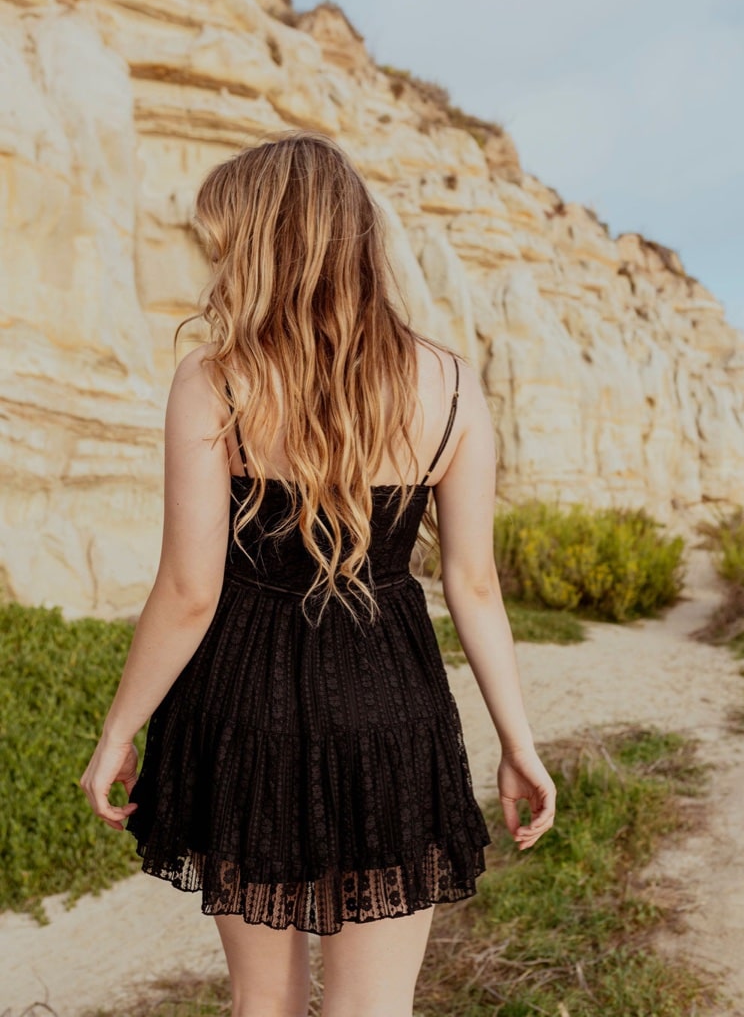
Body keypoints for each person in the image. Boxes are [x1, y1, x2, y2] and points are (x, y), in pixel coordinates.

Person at [80, 130, 556, 1017]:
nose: (214, 257)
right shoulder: (450, 386)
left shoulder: (216, 380)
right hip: (389, 708)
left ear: (265, 242)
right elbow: (474, 584)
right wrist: (518, 743)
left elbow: (190, 592)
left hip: (240, 710)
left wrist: (120, 729)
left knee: (263, 1006)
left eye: (225, 238)